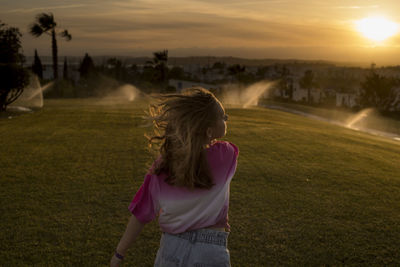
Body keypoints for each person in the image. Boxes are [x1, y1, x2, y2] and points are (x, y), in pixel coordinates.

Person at [110, 87, 239, 267]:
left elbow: (141, 214)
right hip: (210, 251)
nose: (226, 121)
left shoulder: (163, 164)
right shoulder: (227, 154)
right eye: (223, 118)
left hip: (171, 248)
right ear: (209, 131)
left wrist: (119, 253)